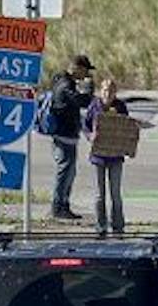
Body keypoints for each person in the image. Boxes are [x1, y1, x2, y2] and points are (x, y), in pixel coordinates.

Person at [83, 75, 149, 235]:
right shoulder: (95, 106)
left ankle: (118, 226)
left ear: (115, 92)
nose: (108, 93)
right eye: (106, 90)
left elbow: (127, 125)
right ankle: (101, 226)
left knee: (115, 194)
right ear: (101, 91)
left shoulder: (120, 106)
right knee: (99, 195)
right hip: (98, 156)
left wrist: (131, 142)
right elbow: (85, 125)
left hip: (116, 157)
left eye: (112, 90)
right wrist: (89, 135)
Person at [45, 54, 93, 221]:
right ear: (77, 68)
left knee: (68, 172)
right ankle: (59, 207)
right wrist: (88, 88)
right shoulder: (66, 85)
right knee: (65, 171)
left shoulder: (61, 81)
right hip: (63, 135)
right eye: (85, 71)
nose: (86, 75)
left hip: (64, 135)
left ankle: (63, 205)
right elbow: (83, 101)